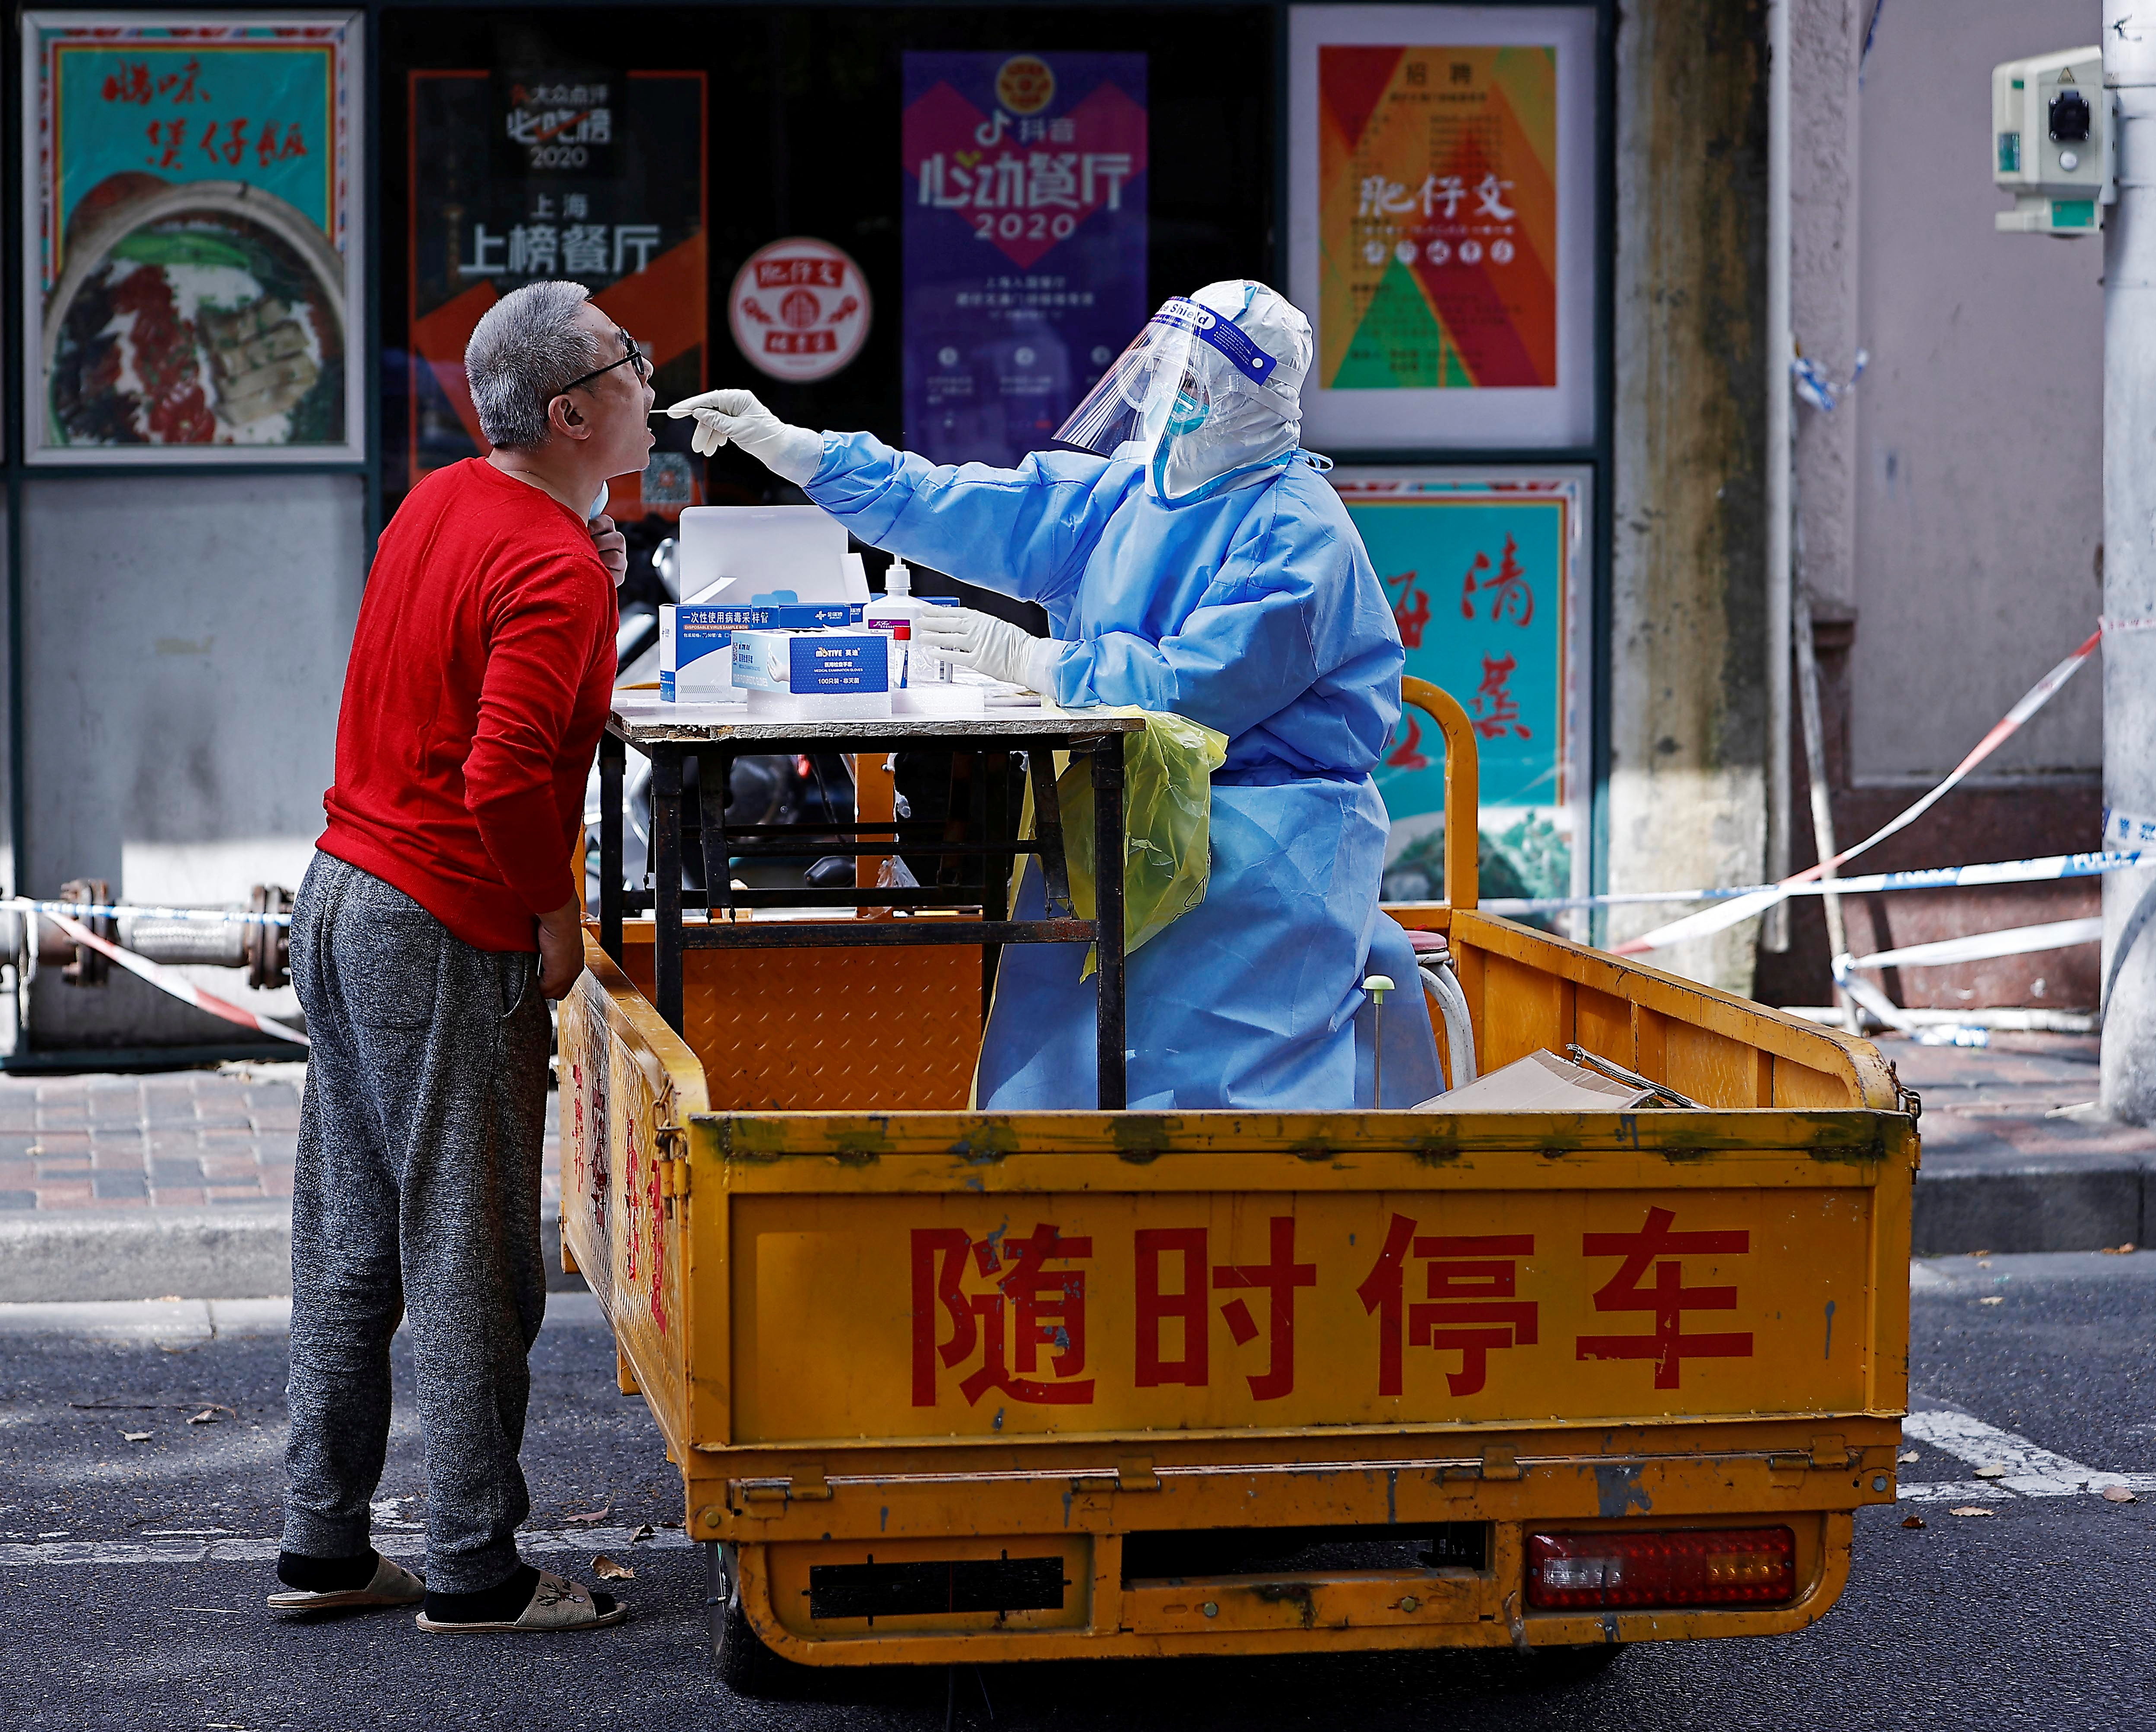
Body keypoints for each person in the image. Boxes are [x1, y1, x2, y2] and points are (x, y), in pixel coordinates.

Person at [672, 279, 1431, 1111]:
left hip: (1259, 846)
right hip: (1123, 811)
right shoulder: (1136, 490)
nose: (1168, 400)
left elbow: (1197, 685)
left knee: (1213, 1097)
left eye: (1194, 384)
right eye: (1167, 375)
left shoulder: (1299, 531)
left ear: (1248, 400)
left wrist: (1041, 665)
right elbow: (976, 507)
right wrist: (801, 452)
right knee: (1058, 1073)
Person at [271, 280, 649, 1633]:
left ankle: (322, 1547)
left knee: (352, 1240)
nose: (647, 383)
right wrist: (555, 916)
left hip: (341, 890)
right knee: (472, 1254)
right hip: (439, 918)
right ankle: (475, 1568)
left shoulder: (444, 500)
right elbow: (499, 777)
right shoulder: (549, 563)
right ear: (572, 411)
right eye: (628, 363)